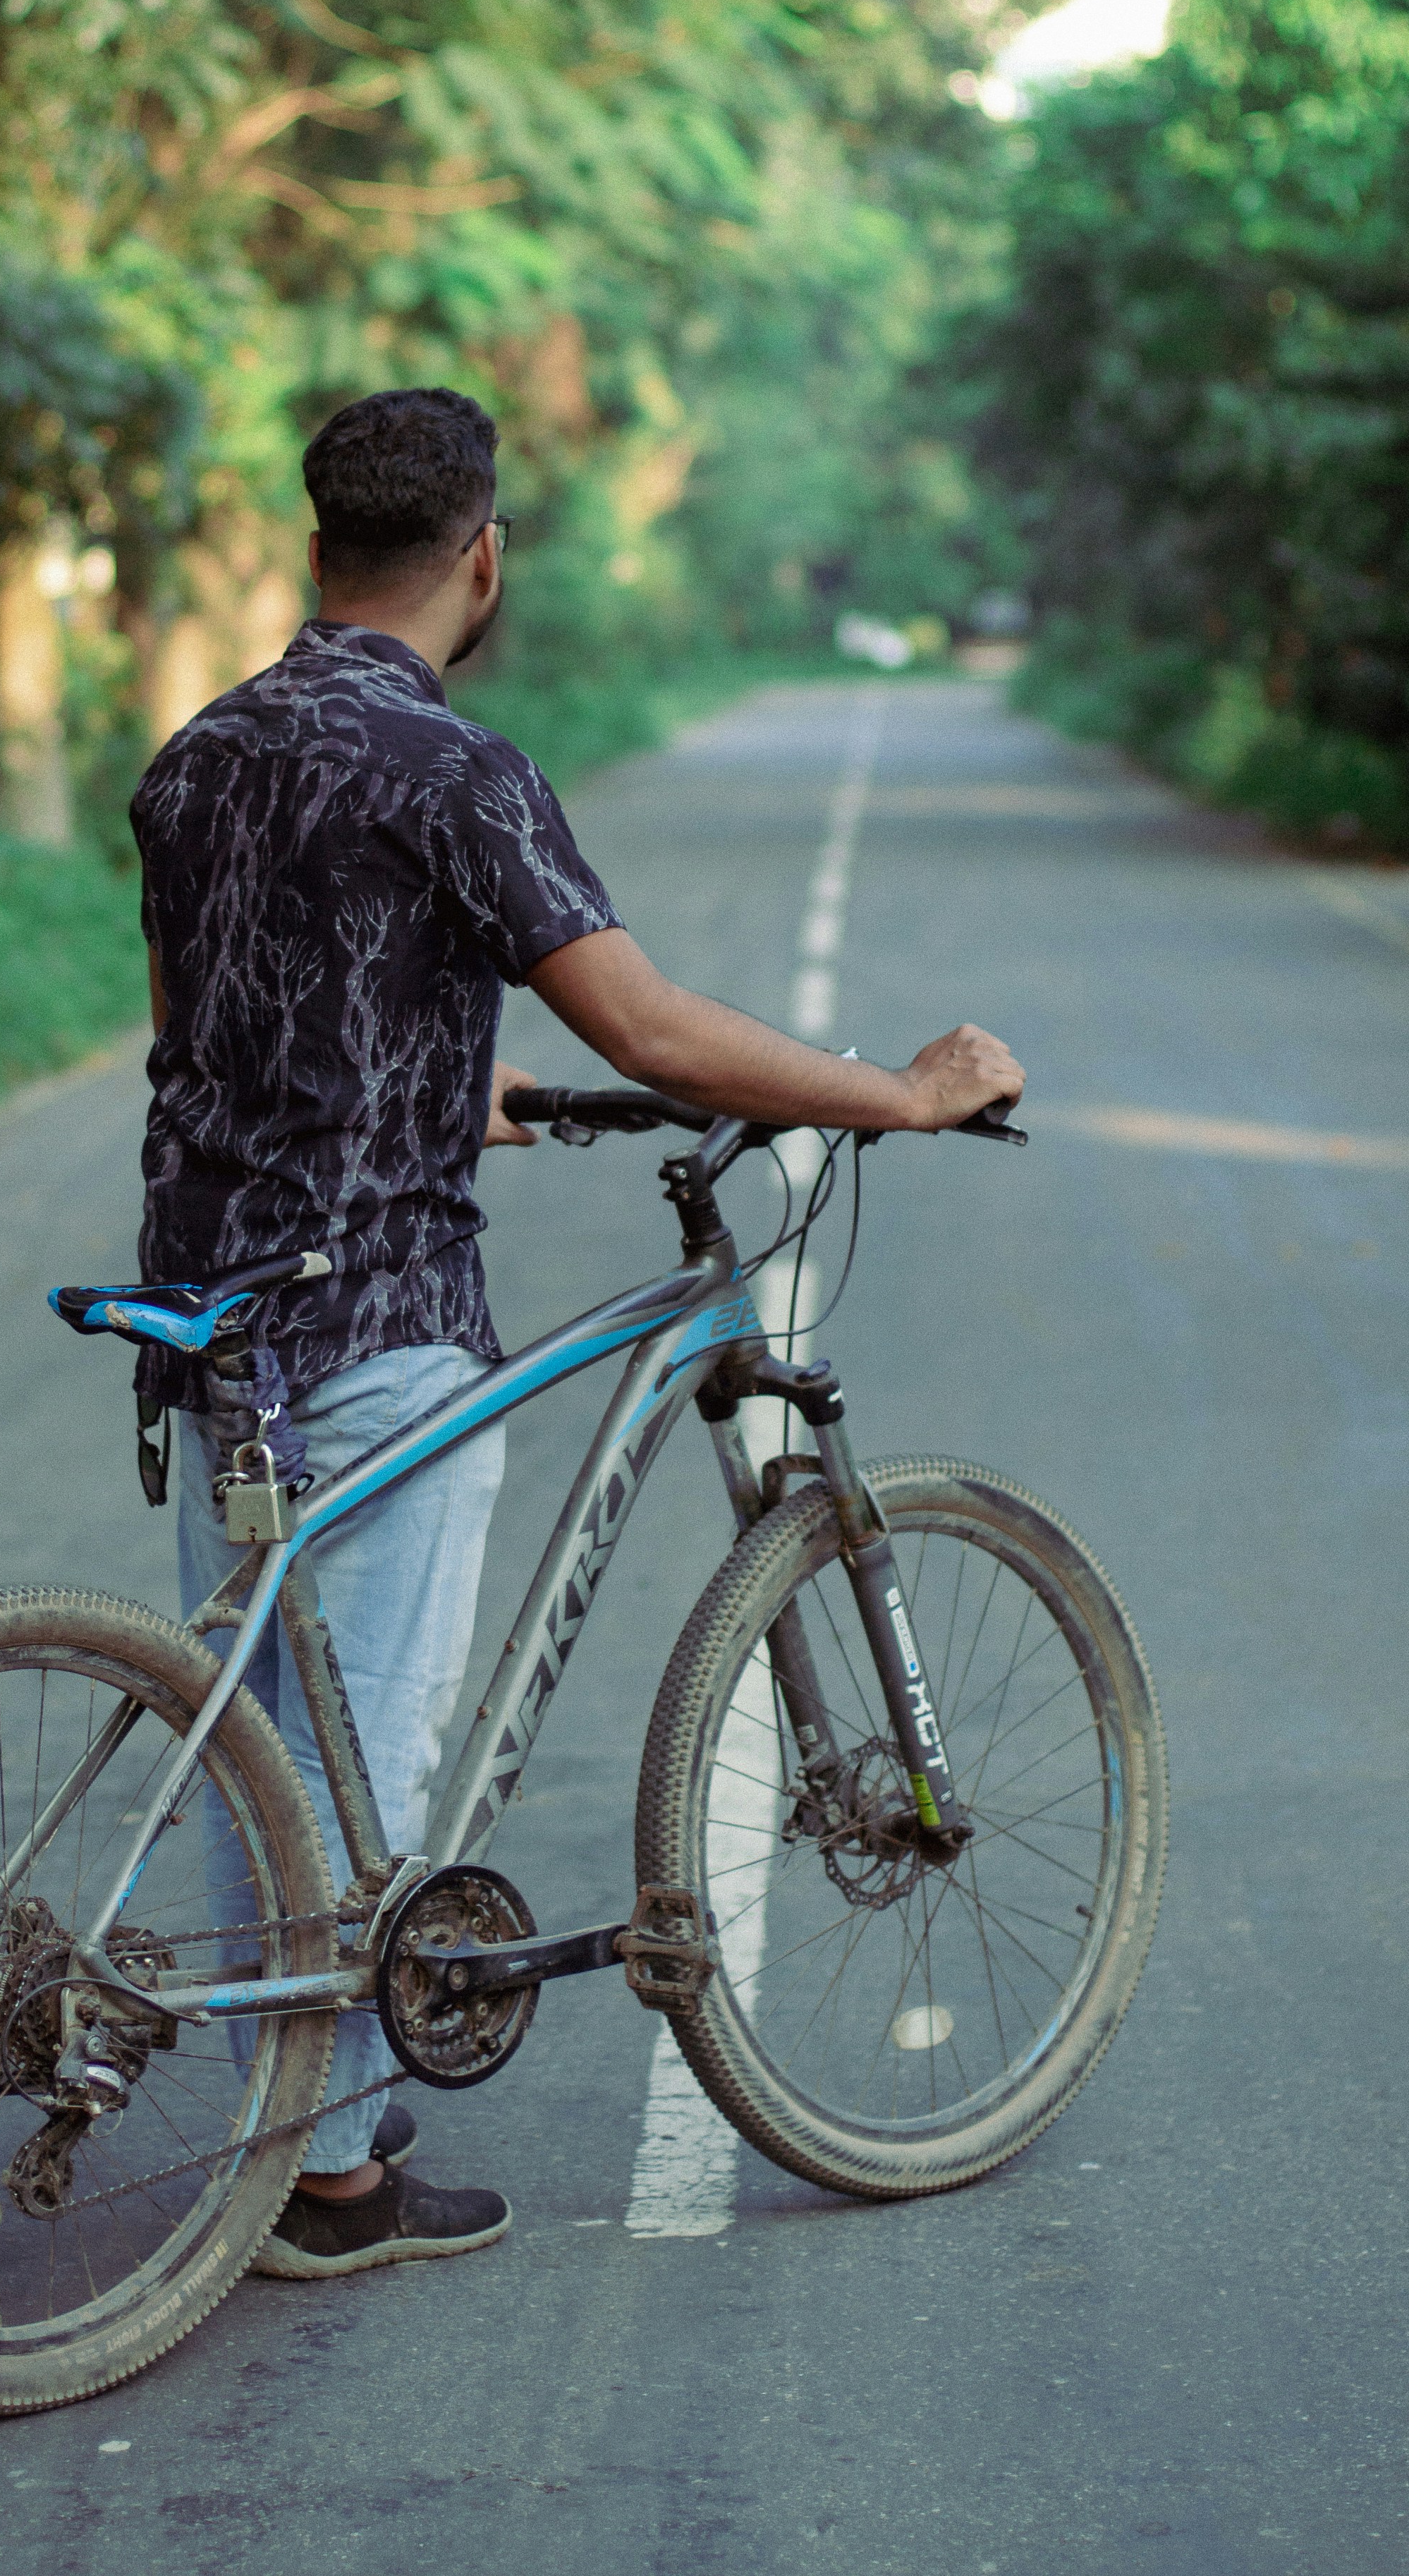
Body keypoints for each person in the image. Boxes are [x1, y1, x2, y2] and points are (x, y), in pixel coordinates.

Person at [128, 384, 1024, 2280]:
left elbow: (215, 1042)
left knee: (260, 1740)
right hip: (370, 1325)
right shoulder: (458, 770)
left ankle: (289, 2123)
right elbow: (659, 1034)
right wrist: (901, 1092)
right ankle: (330, 2174)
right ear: (483, 556)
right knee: (364, 1736)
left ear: (314, 553)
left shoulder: (196, 757)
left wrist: (448, 1074)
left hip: (205, 1330)